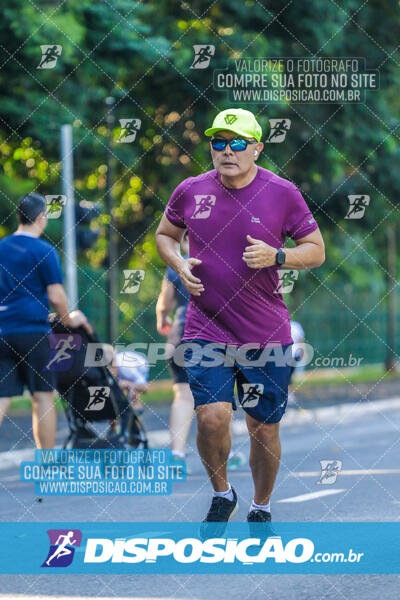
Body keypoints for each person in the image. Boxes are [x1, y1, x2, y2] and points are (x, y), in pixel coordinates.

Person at [156, 108, 325, 528]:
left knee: (262, 429)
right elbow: (164, 235)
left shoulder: (282, 192)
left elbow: (316, 250)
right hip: (205, 325)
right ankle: (221, 492)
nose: (226, 151)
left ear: (256, 148)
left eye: (236, 143)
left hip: (265, 331)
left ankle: (261, 503)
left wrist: (278, 256)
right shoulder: (191, 190)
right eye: (218, 142)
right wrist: (178, 265)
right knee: (211, 416)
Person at [0, 193, 92, 448]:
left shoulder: (1, 246)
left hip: (2, 330)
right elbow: (56, 295)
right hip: (33, 331)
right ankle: (46, 462)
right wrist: (67, 319)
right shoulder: (44, 250)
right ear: (41, 218)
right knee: (42, 397)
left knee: (1, 397)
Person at [156, 231, 194, 468]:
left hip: (179, 335)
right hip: (210, 337)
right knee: (218, 397)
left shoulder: (174, 268)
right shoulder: (219, 262)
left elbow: (163, 305)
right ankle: (227, 456)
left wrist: (163, 321)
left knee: (182, 396)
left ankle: (177, 456)